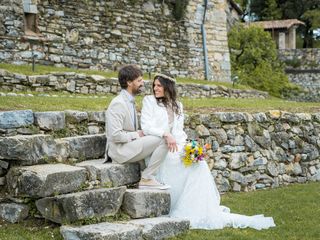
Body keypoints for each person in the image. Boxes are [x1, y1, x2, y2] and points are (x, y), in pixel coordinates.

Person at [140, 73, 276, 230]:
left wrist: (189, 148)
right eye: (154, 85)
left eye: (159, 85)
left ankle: (197, 209)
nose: (155, 88)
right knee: (178, 162)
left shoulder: (178, 105)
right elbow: (146, 126)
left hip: (176, 145)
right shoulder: (149, 101)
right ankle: (175, 204)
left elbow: (179, 132)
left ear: (168, 87)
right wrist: (165, 134)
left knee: (199, 163)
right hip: (158, 146)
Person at [105, 65, 169, 189]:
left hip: (129, 145)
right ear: (129, 82)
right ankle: (147, 177)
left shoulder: (130, 101)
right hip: (120, 151)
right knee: (164, 139)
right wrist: (137, 134)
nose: (142, 83)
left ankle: (148, 176)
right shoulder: (118, 103)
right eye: (139, 80)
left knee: (159, 136)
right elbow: (115, 135)